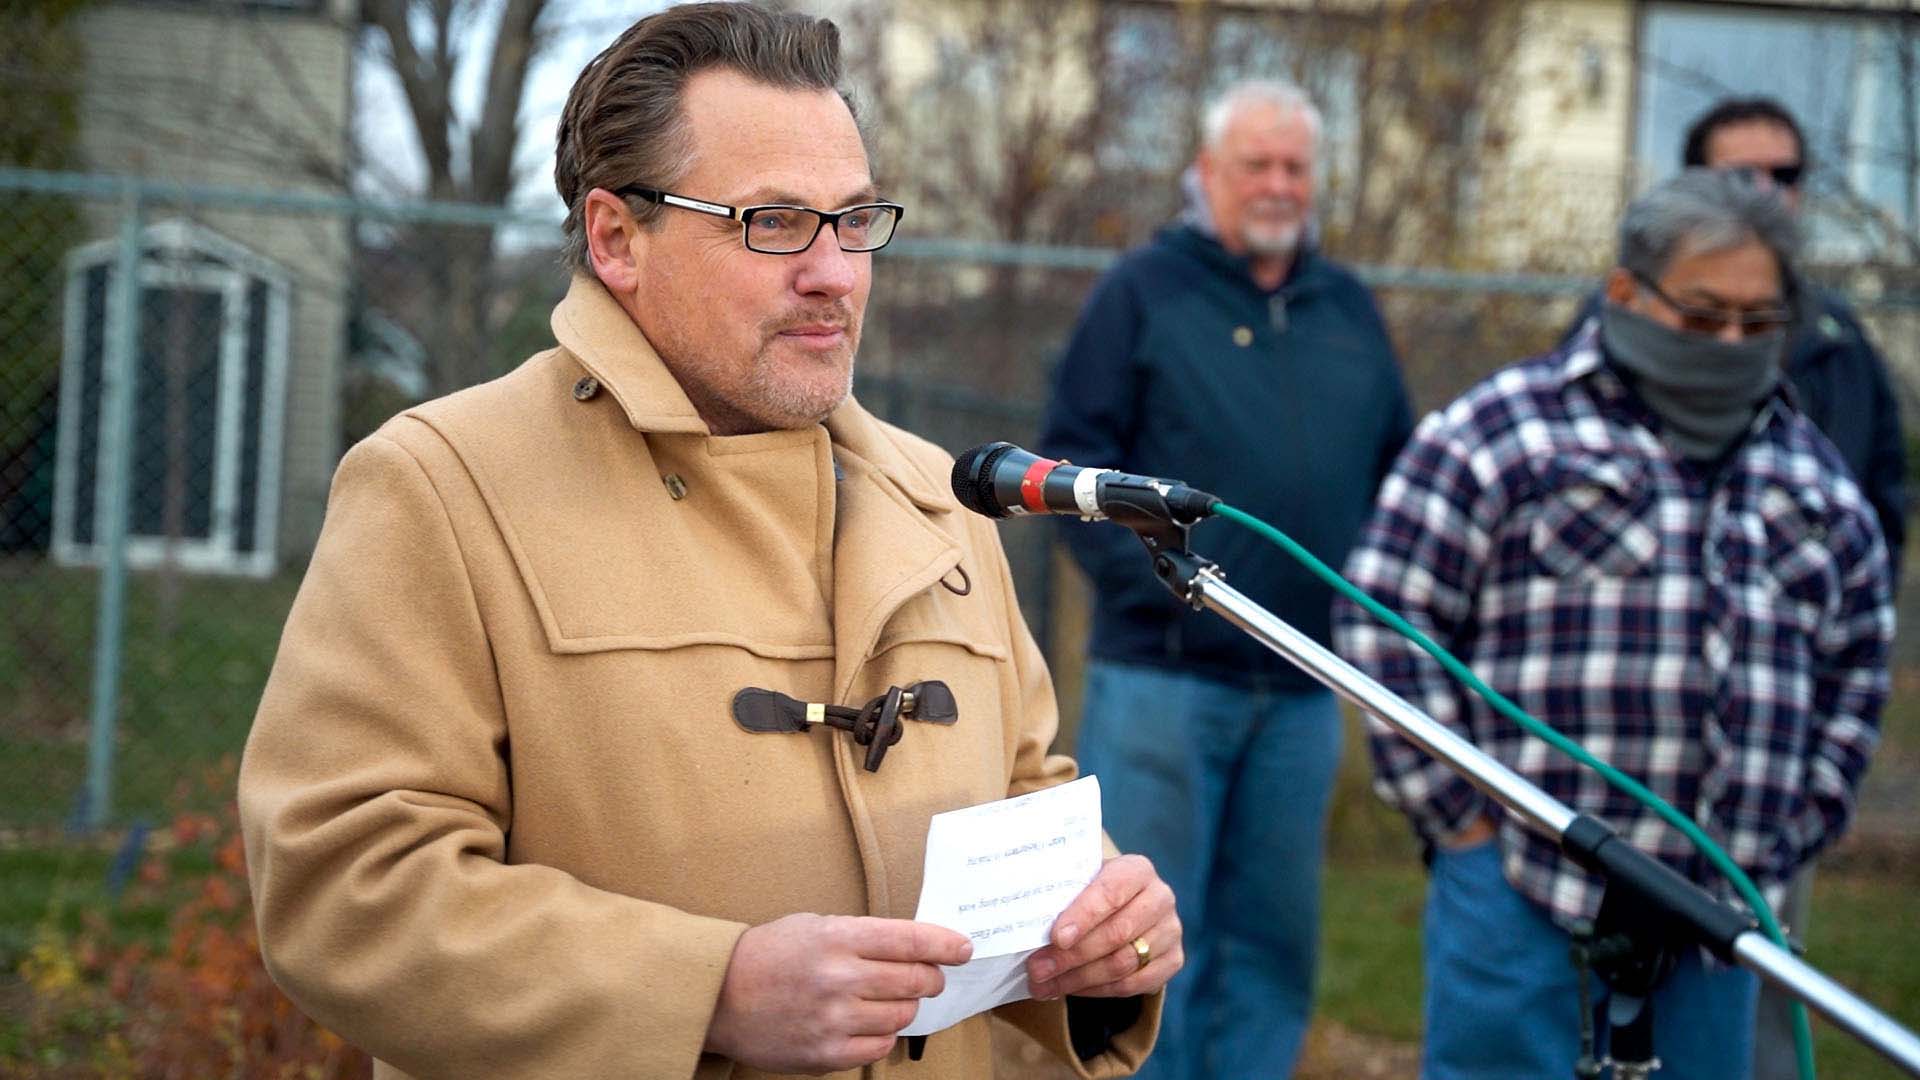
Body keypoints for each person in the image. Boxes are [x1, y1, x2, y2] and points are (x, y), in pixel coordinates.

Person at [237, 5, 1180, 1078]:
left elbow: (1026, 788)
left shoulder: (944, 496)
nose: (835, 272)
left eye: (854, 217)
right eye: (774, 223)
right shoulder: (442, 486)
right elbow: (343, 885)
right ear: (615, 239)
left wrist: (1100, 922)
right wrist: (708, 993)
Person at [1336, 169, 1893, 1080]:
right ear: (1627, 292)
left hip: (1723, 922)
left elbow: (1859, 665)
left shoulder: (1816, 483)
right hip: (1521, 895)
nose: (1730, 342)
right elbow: (1383, 621)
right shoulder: (1501, 434)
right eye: (1704, 315)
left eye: (1758, 325)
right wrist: (1461, 829)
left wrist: (1796, 827)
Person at [1037, 79, 1412, 1080]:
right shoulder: (1141, 292)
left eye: (1295, 166)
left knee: (1272, 953)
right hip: (1164, 682)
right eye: (1258, 163)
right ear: (1207, 173)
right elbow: (1069, 466)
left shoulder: (1348, 308)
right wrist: (1147, 588)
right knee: (1147, 949)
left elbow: (1398, 474)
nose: (1279, 184)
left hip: (1300, 691)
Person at [1559, 98, 1906, 1079]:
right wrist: (1463, 819)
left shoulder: (1837, 347)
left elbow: (1871, 569)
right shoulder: (1571, 379)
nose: (1766, 194)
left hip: (1752, 829)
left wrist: (1809, 808)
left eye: (1785, 175)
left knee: (1740, 1043)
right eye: (1740, 174)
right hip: (1568, 844)